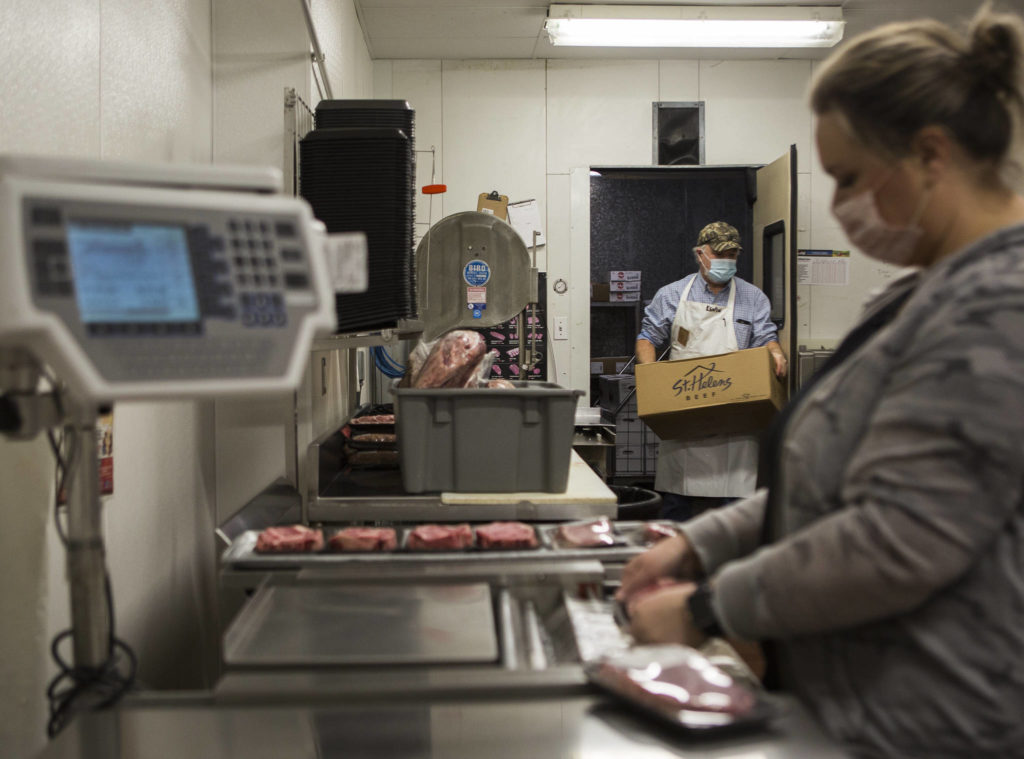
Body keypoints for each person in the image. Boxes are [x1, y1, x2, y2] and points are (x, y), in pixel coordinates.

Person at [617, 5, 1024, 758]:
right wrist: (701, 542)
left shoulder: (998, 306)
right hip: (856, 707)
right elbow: (838, 483)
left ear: (931, 155)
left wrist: (707, 606)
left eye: (848, 177)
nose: (838, 207)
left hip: (936, 724)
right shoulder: (920, 294)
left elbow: (897, 539)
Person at [635, 221, 787, 521]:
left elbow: (766, 339)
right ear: (700, 254)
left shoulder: (753, 298)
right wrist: (652, 378)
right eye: (719, 254)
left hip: (737, 413)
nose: (726, 261)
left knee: (736, 507)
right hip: (684, 411)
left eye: (731, 255)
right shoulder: (672, 294)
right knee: (677, 503)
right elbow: (647, 338)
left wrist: (776, 353)